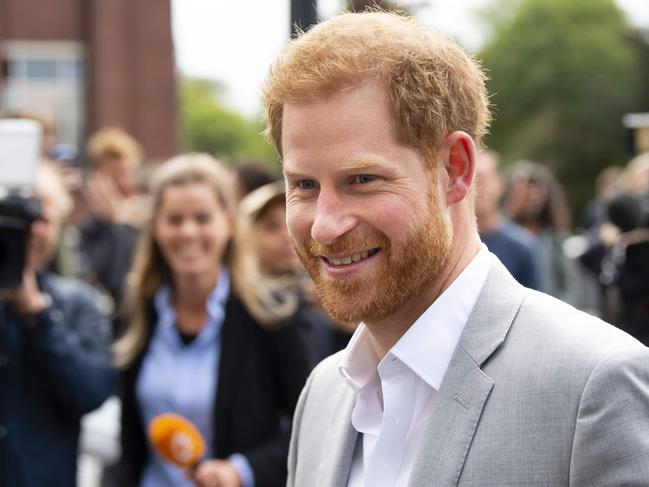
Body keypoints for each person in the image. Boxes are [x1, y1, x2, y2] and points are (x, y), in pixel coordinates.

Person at [260, 11, 649, 486]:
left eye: (362, 180)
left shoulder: (593, 384)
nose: (323, 225)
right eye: (303, 184)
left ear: (455, 170)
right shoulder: (323, 394)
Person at [112, 154, 310, 487]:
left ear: (228, 223)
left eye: (202, 218)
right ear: (156, 227)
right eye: (175, 219)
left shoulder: (271, 315)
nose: (188, 232)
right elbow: (129, 443)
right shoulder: (139, 313)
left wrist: (241, 470)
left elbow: (310, 425)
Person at [0, 162, 115, 486]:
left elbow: (91, 392)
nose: (29, 232)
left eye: (42, 219)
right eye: (15, 219)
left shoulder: (76, 302)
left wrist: (37, 314)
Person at [237, 181, 351, 365]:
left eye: (289, 222)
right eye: (271, 227)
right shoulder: (241, 300)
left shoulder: (322, 291)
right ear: (246, 235)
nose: (287, 235)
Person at [78, 127, 147, 325]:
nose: (124, 182)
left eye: (129, 172)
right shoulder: (87, 229)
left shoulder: (147, 220)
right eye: (116, 175)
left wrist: (118, 223)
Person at [475, 150, 540, 289]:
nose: (478, 188)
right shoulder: (447, 246)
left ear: (499, 184)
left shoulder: (522, 246)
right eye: (471, 180)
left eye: (482, 180)